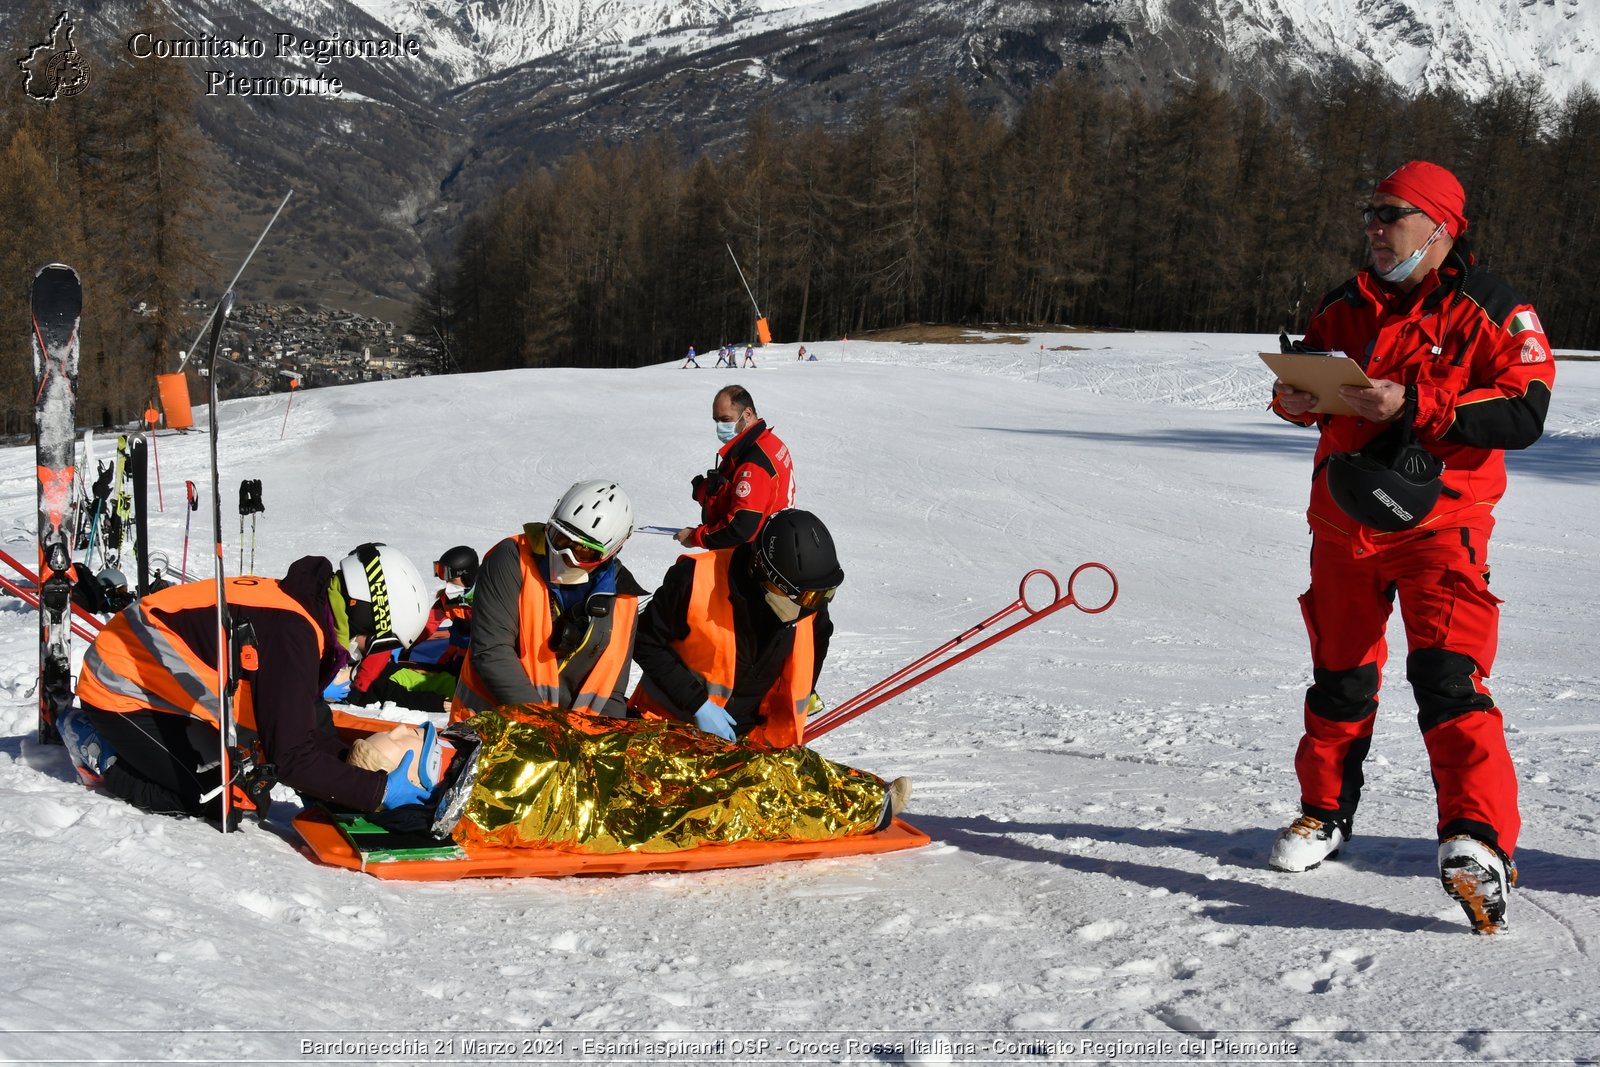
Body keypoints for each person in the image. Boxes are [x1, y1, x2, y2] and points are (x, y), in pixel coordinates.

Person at [1268, 160, 1555, 934]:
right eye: (1369, 211)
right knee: (1339, 678)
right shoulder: (1342, 303)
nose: (1373, 225)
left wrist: (1418, 403)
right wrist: (1293, 399)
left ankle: (1477, 844)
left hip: (1442, 530)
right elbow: (1314, 384)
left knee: (1449, 680)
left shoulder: (1494, 308)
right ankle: (1322, 813)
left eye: (1389, 213)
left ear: (1438, 226)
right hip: (1343, 524)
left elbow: (1526, 409)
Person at [61, 544, 442, 826]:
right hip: (119, 687)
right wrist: (379, 793)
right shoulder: (294, 635)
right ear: (364, 608)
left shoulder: (305, 614)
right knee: (220, 798)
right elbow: (292, 757)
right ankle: (97, 751)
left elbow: (308, 721)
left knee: (250, 789)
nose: (365, 652)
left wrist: (353, 775)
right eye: (376, 640)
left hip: (162, 687)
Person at [632, 509, 839, 748]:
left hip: (748, 744)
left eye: (820, 596)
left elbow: (818, 641)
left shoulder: (809, 606)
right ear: (764, 572)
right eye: (799, 596)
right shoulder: (695, 580)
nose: (808, 607)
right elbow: (644, 641)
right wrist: (697, 704)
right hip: (668, 731)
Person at [449, 480, 647, 723]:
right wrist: (542, 726)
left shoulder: (624, 600)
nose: (565, 556)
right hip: (491, 725)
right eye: (560, 539)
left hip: (568, 744)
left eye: (584, 552)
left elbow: (611, 692)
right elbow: (492, 651)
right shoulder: (511, 560)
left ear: (612, 551)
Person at [674, 385, 795, 549]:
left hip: (751, 553)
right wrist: (705, 491)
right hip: (772, 540)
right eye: (716, 420)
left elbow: (740, 527)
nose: (719, 427)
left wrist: (695, 537)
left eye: (725, 420)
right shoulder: (767, 442)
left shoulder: (753, 462)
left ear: (747, 414)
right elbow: (737, 489)